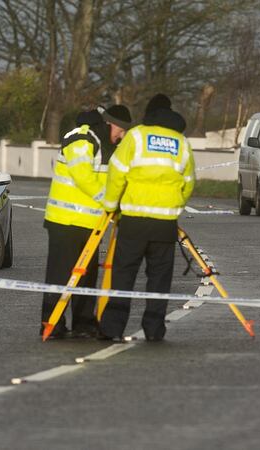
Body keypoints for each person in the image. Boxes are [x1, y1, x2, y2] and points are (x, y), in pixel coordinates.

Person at [99, 94, 195, 342]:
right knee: (159, 280)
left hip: (134, 221)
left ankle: (113, 328)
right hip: (165, 224)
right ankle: (154, 330)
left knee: (123, 275)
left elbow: (117, 173)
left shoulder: (137, 136)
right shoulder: (181, 142)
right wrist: (174, 207)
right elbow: (188, 183)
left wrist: (111, 206)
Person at [41, 106, 132, 339]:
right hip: (65, 221)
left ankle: (83, 323)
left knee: (86, 276)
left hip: (91, 224)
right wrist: (109, 201)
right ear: (109, 124)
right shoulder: (81, 138)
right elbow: (82, 175)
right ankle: (52, 323)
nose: (121, 136)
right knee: (60, 275)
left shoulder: (107, 146)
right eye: (120, 130)